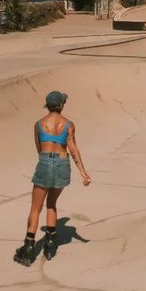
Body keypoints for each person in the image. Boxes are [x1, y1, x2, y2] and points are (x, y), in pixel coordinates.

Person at [13, 91, 91, 265]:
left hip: (45, 162)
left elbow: (39, 149)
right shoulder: (69, 125)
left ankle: (29, 247)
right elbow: (73, 149)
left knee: (35, 208)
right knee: (51, 204)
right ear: (61, 105)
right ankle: (50, 244)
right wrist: (83, 173)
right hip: (63, 164)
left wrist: (47, 161)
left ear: (47, 105)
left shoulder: (38, 124)